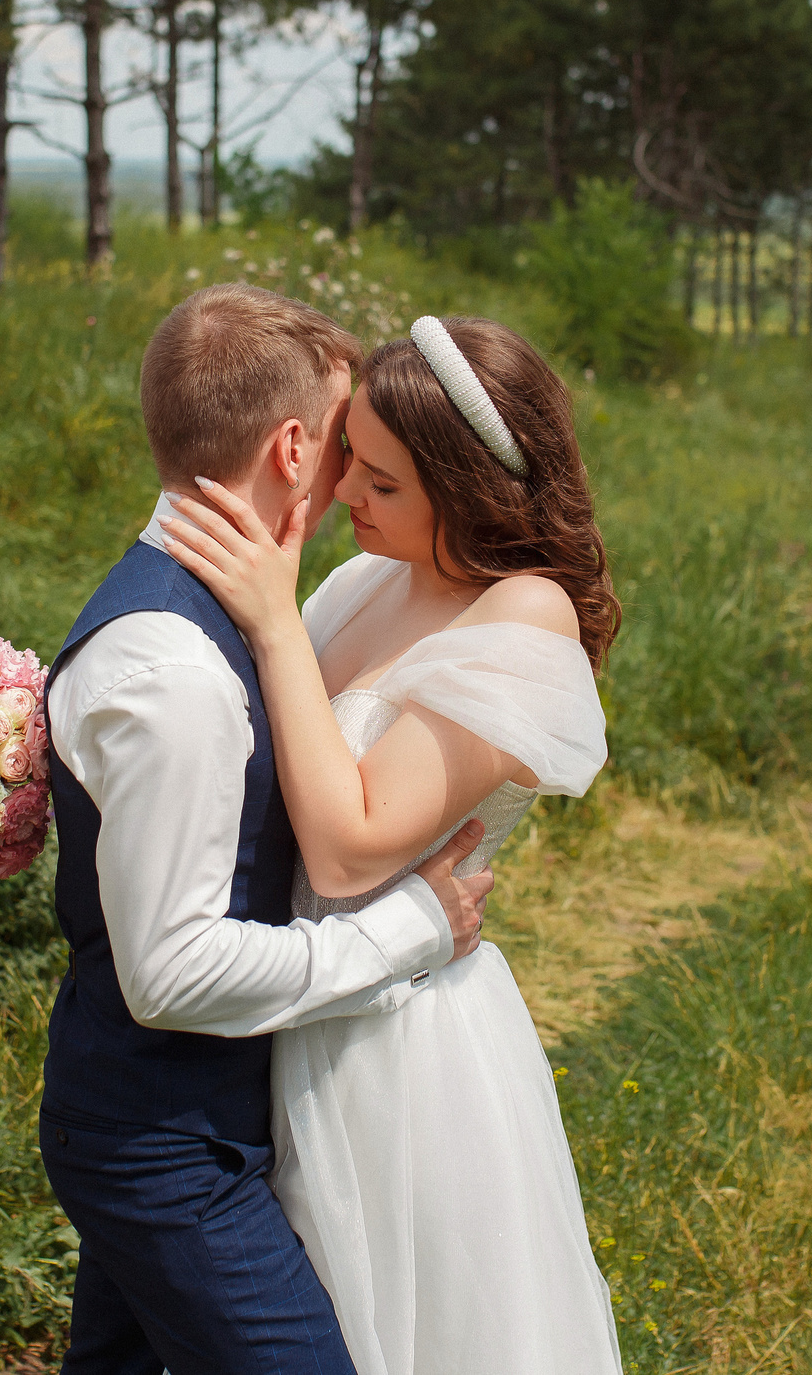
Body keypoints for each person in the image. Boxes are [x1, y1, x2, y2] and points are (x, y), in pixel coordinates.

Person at [40, 284, 499, 1375]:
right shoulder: (175, 674)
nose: (352, 480)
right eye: (345, 445)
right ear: (294, 448)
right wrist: (411, 932)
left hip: (198, 1125)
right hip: (162, 1149)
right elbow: (171, 972)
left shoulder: (235, 610)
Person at [157, 313, 623, 1375]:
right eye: (347, 464)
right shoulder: (367, 580)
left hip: (399, 1048)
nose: (344, 500)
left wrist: (273, 622)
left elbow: (352, 850)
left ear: (470, 491)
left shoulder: (523, 613)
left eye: (382, 483)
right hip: (286, 999)